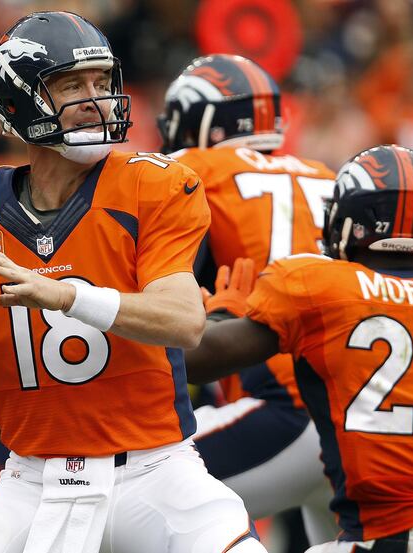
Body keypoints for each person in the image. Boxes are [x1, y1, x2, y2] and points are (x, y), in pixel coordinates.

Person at [0, 11, 267, 553]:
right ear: (20, 100)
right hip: (31, 478)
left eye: (103, 83)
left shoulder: (153, 185)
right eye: (72, 85)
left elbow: (183, 321)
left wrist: (66, 294)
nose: (96, 99)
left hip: (155, 470)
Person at [186, 144, 413, 552]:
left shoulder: (316, 285)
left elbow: (197, 363)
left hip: (388, 534)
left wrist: (220, 316)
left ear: (350, 218)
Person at [158, 53, 339, 545]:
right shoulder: (330, 177)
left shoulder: (192, 169)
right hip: (356, 419)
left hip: (283, 407)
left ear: (200, 121)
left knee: (120, 498)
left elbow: (159, 319)